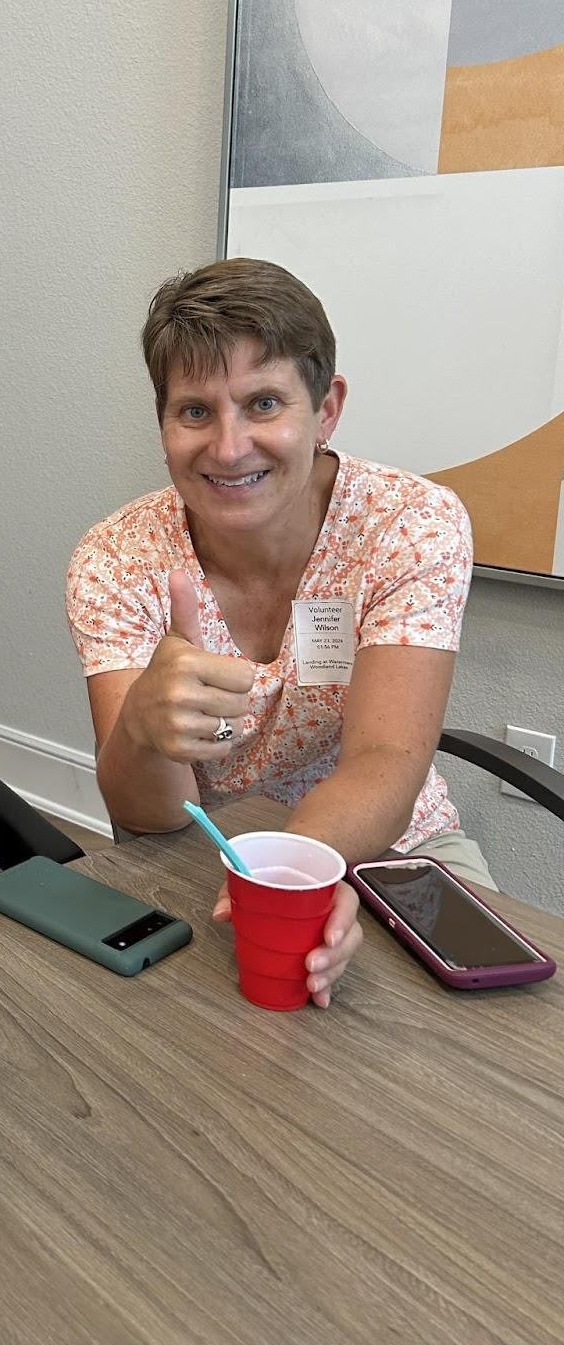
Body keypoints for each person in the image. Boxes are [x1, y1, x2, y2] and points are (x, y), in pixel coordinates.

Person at [66, 258, 489, 1007]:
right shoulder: (115, 558)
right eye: (194, 411)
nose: (228, 449)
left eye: (264, 403)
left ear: (327, 409)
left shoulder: (411, 525)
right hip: (201, 854)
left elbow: (388, 755)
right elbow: (150, 814)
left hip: (392, 846)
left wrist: (296, 871)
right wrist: (142, 729)